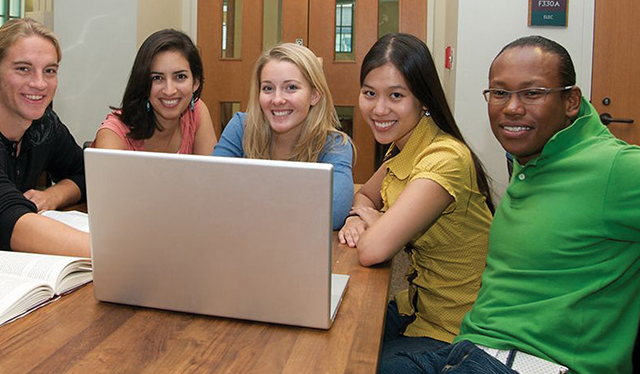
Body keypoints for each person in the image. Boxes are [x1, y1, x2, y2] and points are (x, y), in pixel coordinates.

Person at [395, 36, 640, 374]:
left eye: (532, 93)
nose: (511, 107)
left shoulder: (614, 167)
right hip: (467, 349)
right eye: (499, 92)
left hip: (533, 362)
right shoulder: (531, 156)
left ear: (571, 101)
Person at [337, 33, 494, 370]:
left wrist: (378, 224)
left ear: (423, 100)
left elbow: (373, 249)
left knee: (352, 362)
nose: (379, 109)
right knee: (332, 331)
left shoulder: (444, 158)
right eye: (369, 93)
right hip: (417, 306)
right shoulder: (405, 146)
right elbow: (364, 194)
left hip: (455, 328)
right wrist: (356, 218)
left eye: (396, 95)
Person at [0, 18, 89, 257]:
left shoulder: (43, 124)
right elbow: (9, 222)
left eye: (49, 71)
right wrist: (117, 254)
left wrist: (53, 195)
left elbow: (86, 174)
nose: (39, 83)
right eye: (23, 69)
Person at [213, 43, 354, 229]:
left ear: (314, 95)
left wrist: (245, 200)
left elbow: (333, 212)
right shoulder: (241, 127)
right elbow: (213, 191)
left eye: (291, 87)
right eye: (268, 88)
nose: (277, 99)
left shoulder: (335, 145)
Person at [93, 29, 217, 154]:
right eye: (157, 78)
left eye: (180, 77)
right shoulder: (113, 133)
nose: (169, 91)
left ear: (195, 83)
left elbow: (212, 172)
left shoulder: (197, 112)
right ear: (143, 83)